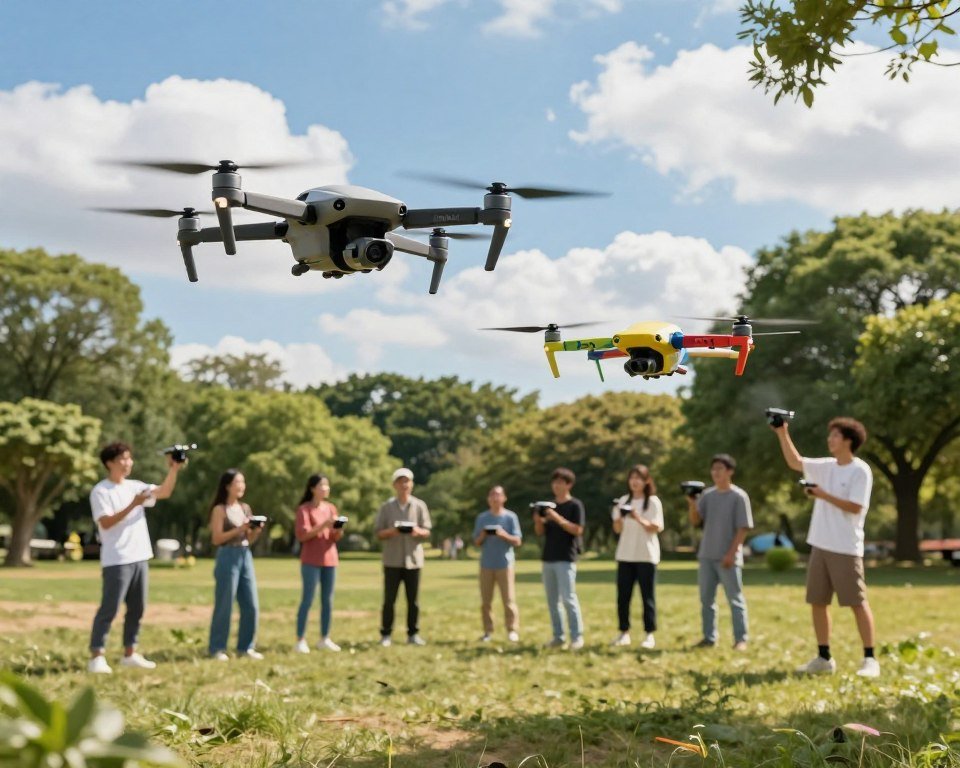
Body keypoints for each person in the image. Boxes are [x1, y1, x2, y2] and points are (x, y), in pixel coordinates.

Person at [771, 416, 878, 677]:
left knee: (856, 602)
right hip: (820, 544)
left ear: (848, 441)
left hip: (846, 547)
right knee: (818, 602)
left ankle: (870, 659)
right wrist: (781, 432)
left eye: (835, 436)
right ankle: (824, 657)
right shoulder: (826, 466)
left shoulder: (859, 470)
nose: (829, 440)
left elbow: (855, 507)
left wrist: (822, 495)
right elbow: (795, 462)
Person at [87, 442, 185, 674]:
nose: (128, 463)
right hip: (116, 559)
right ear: (109, 463)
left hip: (140, 556)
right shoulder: (101, 491)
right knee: (109, 608)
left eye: (130, 458)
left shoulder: (136, 486)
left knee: (137, 608)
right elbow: (106, 522)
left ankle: (130, 652)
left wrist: (174, 469)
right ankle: (96, 656)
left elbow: (164, 492)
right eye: (123, 459)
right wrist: (134, 504)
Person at [686, 454, 753, 651]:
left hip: (728, 558)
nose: (715, 472)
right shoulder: (707, 495)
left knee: (735, 599)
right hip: (706, 555)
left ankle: (741, 639)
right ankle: (709, 638)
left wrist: (731, 554)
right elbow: (695, 521)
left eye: (720, 469)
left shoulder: (739, 496)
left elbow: (743, 528)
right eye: (713, 469)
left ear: (730, 471)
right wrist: (691, 503)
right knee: (706, 600)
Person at [207, 469, 264, 661]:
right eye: (237, 482)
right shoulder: (219, 510)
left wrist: (255, 531)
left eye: (243, 482)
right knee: (225, 603)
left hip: (245, 554)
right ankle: (217, 648)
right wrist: (240, 528)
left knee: (251, 604)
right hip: (227, 556)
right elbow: (216, 538)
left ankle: (246, 647)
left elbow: (249, 538)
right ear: (227, 486)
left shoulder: (245, 508)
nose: (241, 486)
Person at [374, 467, 432, 646]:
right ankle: (386, 634)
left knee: (413, 601)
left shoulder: (420, 506)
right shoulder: (386, 507)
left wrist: (416, 531)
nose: (403, 485)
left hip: (413, 561)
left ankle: (413, 634)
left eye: (406, 481)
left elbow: (427, 531)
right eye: (400, 482)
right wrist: (393, 531)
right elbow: (378, 533)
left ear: (412, 484)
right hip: (392, 560)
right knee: (389, 599)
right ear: (394, 485)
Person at [611, 464, 664, 650]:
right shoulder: (623, 500)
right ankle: (623, 632)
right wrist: (619, 517)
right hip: (625, 555)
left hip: (646, 556)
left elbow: (656, 527)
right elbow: (617, 529)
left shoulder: (653, 502)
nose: (634, 481)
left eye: (639, 478)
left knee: (647, 596)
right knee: (623, 596)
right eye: (632, 477)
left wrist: (636, 517)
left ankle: (649, 634)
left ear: (646, 481)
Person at [534, 467, 586, 649]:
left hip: (566, 558)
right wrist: (538, 519)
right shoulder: (547, 507)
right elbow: (540, 532)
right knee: (552, 601)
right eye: (554, 482)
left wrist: (556, 517)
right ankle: (558, 636)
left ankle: (577, 636)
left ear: (569, 484)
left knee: (568, 598)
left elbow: (578, 530)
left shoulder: (575, 505)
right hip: (548, 557)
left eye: (560, 482)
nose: (556, 486)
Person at [294, 473, 343, 653]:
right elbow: (303, 535)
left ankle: (325, 637)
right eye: (322, 486)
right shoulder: (304, 510)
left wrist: (338, 529)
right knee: (307, 599)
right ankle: (300, 639)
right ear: (312, 488)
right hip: (311, 560)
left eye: (327, 486)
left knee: (327, 601)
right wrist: (324, 524)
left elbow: (335, 537)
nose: (326, 489)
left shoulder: (331, 508)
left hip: (330, 559)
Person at [472, 485, 523, 642]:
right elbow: (476, 542)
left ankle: (512, 630)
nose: (495, 498)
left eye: (498, 495)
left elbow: (517, 541)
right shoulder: (482, 518)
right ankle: (488, 631)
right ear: (488, 499)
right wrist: (484, 534)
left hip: (505, 564)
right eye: (492, 495)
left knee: (508, 600)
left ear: (504, 498)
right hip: (486, 565)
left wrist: (503, 534)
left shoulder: (510, 517)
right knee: (486, 601)